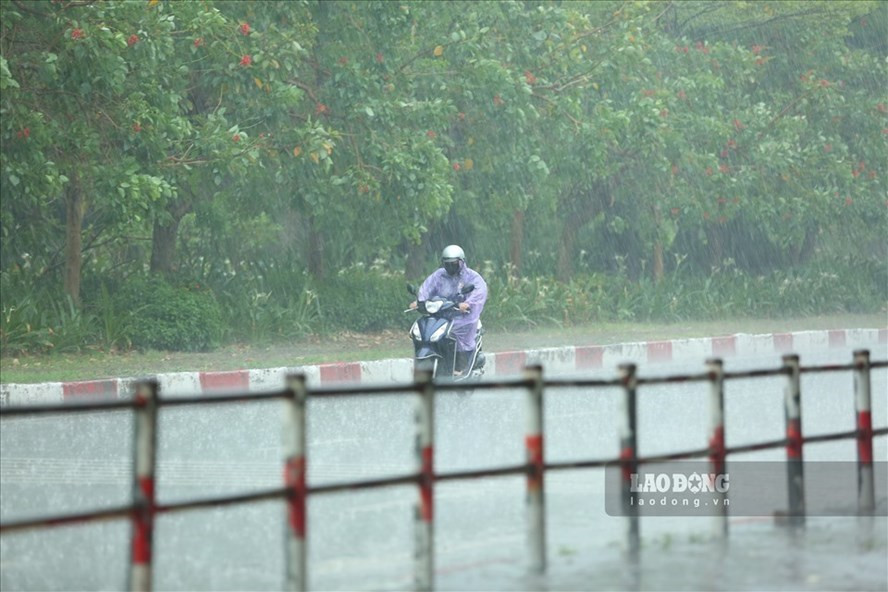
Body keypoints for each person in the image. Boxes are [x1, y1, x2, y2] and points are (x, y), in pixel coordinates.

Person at [410, 244, 488, 376]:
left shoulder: (472, 277)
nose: (451, 267)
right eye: (447, 264)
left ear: (462, 262)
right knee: (425, 327)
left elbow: (479, 293)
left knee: (457, 330)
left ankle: (461, 366)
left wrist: (467, 304)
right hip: (442, 313)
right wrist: (420, 301)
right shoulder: (439, 275)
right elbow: (427, 288)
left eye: (454, 264)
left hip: (464, 315)